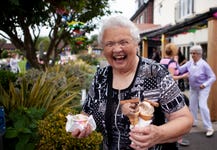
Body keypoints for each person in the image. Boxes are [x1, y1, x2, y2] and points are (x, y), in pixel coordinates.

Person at [71, 16, 193, 150]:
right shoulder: (101, 76)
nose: (117, 49)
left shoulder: (155, 73)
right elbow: (87, 112)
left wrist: (159, 134)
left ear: (136, 44)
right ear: (103, 48)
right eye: (109, 44)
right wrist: (82, 124)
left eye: (123, 42)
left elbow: (184, 119)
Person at [179, 45, 216, 137]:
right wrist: (174, 62)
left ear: (199, 54)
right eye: (191, 53)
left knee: (202, 106)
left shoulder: (204, 64)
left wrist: (205, 84)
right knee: (192, 105)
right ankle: (194, 121)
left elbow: (213, 77)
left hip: (203, 87)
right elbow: (180, 70)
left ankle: (209, 127)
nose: (192, 55)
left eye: (194, 53)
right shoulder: (190, 63)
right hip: (193, 87)